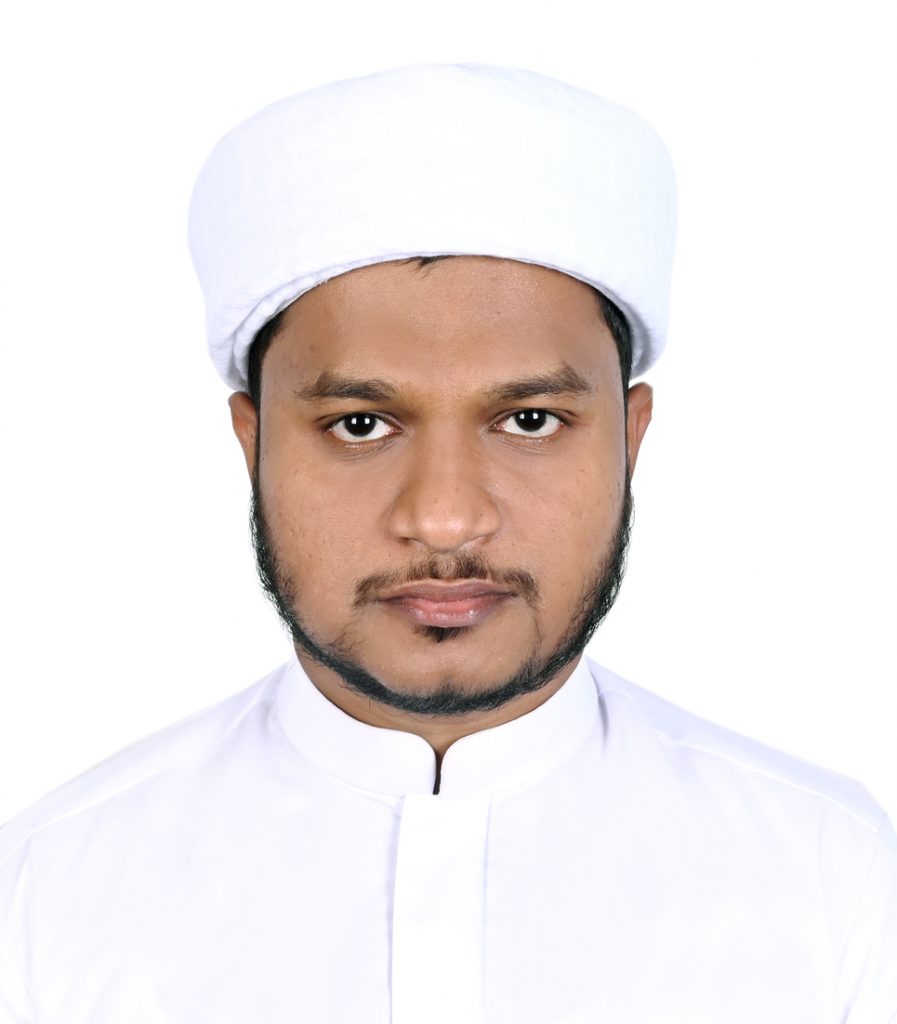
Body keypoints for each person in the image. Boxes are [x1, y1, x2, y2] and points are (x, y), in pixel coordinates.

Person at [0, 63, 894, 1023]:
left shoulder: (838, 881)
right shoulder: (47, 896)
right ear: (252, 443)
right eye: (359, 426)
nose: (444, 519)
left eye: (530, 421)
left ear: (629, 439)